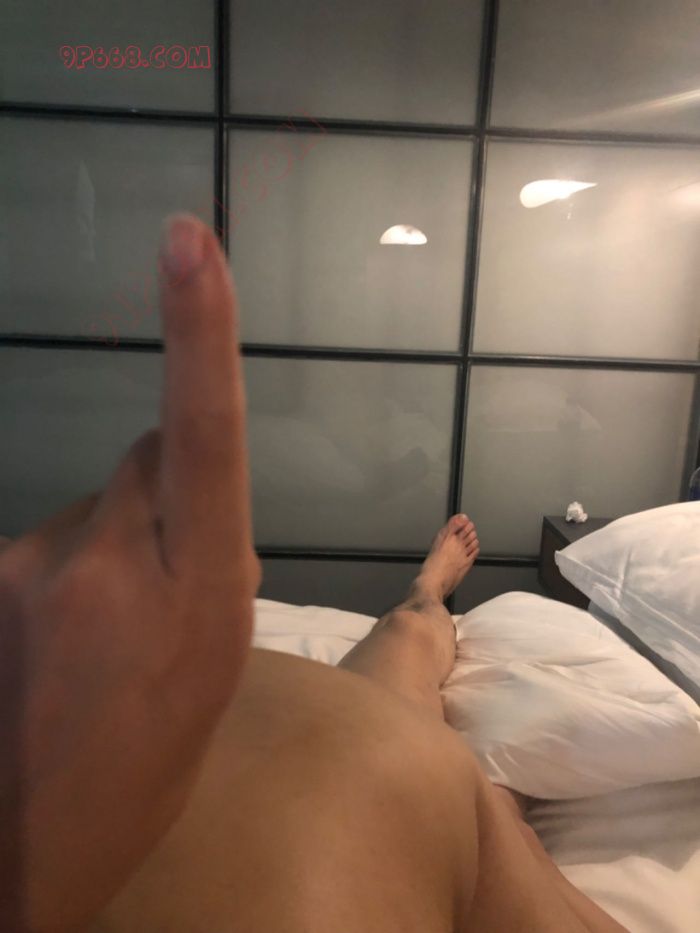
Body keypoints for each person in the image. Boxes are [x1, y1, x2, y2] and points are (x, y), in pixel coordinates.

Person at [0, 215, 629, 933]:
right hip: (355, 765)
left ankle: (427, 597)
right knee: (428, 711)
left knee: (409, 653)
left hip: (323, 742)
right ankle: (435, 633)